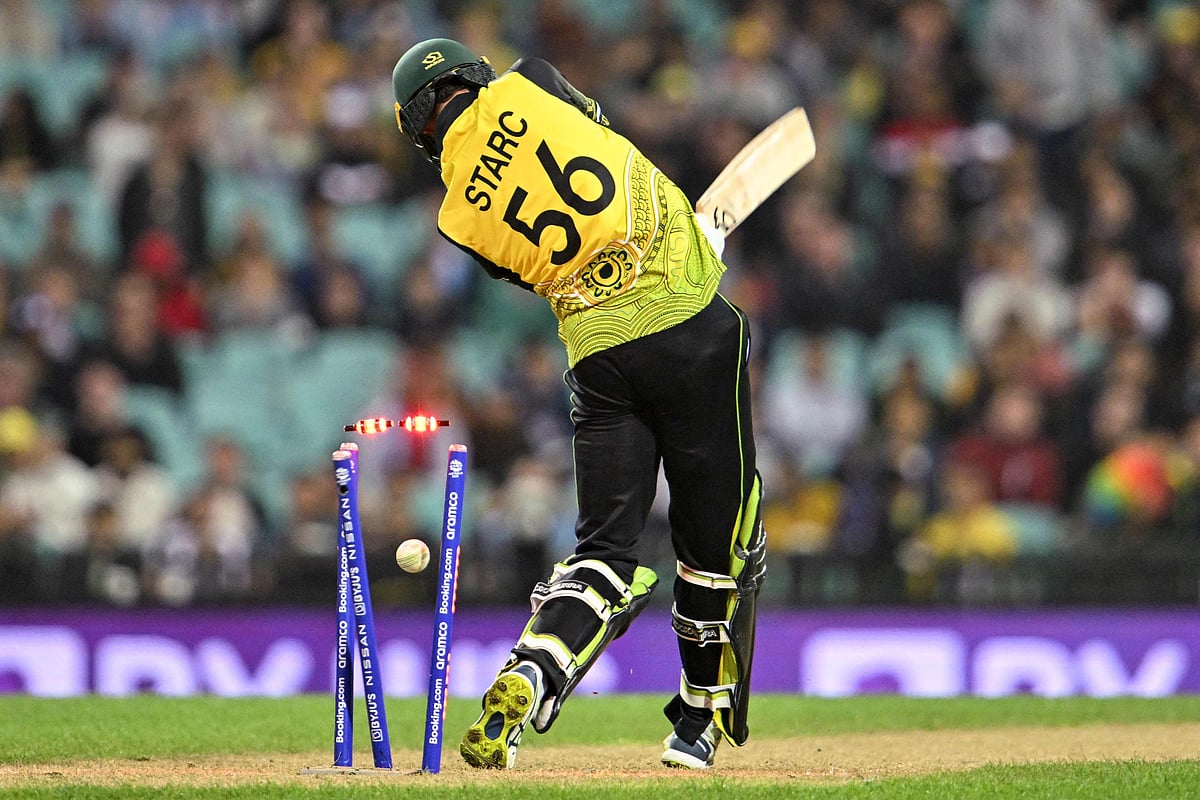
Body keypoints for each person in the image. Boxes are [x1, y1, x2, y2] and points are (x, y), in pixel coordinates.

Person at [390, 38, 766, 771]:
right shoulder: (529, 78)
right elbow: (597, 133)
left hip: (600, 360)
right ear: (473, 73)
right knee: (718, 543)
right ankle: (696, 722)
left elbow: (540, 268)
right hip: (691, 329)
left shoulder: (456, 218)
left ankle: (532, 672)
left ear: (418, 129)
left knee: (604, 554)